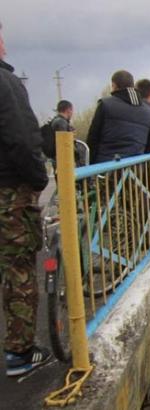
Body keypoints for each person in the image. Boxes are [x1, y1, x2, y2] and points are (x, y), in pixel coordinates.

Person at [0, 21, 52, 377]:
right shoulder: (6, 83)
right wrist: (39, 178)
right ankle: (20, 354)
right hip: (9, 192)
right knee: (19, 270)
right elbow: (22, 138)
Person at [86, 70, 150, 164]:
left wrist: (90, 168)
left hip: (106, 171)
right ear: (132, 85)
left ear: (114, 85)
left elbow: (92, 139)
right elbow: (149, 148)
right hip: (136, 172)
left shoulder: (105, 104)